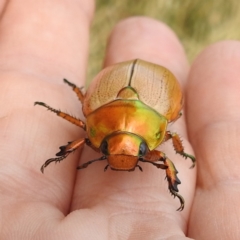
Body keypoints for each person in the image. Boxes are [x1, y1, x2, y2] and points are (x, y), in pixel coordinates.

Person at [1, 1, 240, 239]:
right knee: (89, 134)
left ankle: (173, 188)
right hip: (137, 85)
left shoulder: (156, 128)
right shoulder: (98, 125)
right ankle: (173, 188)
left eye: (108, 148)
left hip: (135, 85)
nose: (122, 156)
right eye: (105, 147)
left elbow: (170, 138)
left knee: (100, 136)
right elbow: (85, 134)